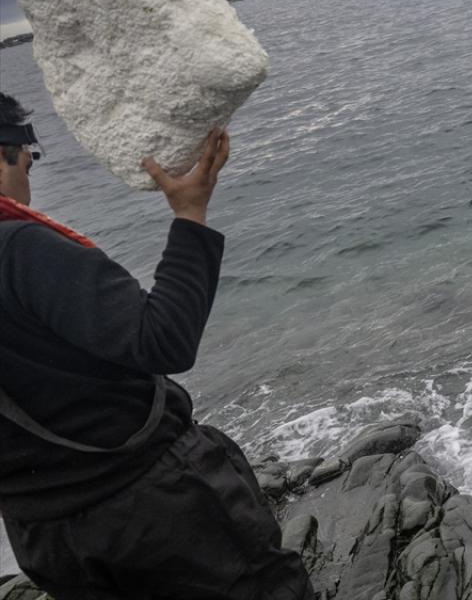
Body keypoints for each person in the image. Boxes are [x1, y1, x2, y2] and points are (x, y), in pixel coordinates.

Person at [0, 92, 314, 599]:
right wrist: (190, 213)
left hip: (42, 535)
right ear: (4, 153)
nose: (29, 178)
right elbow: (164, 339)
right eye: (27, 159)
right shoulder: (19, 248)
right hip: (150, 506)